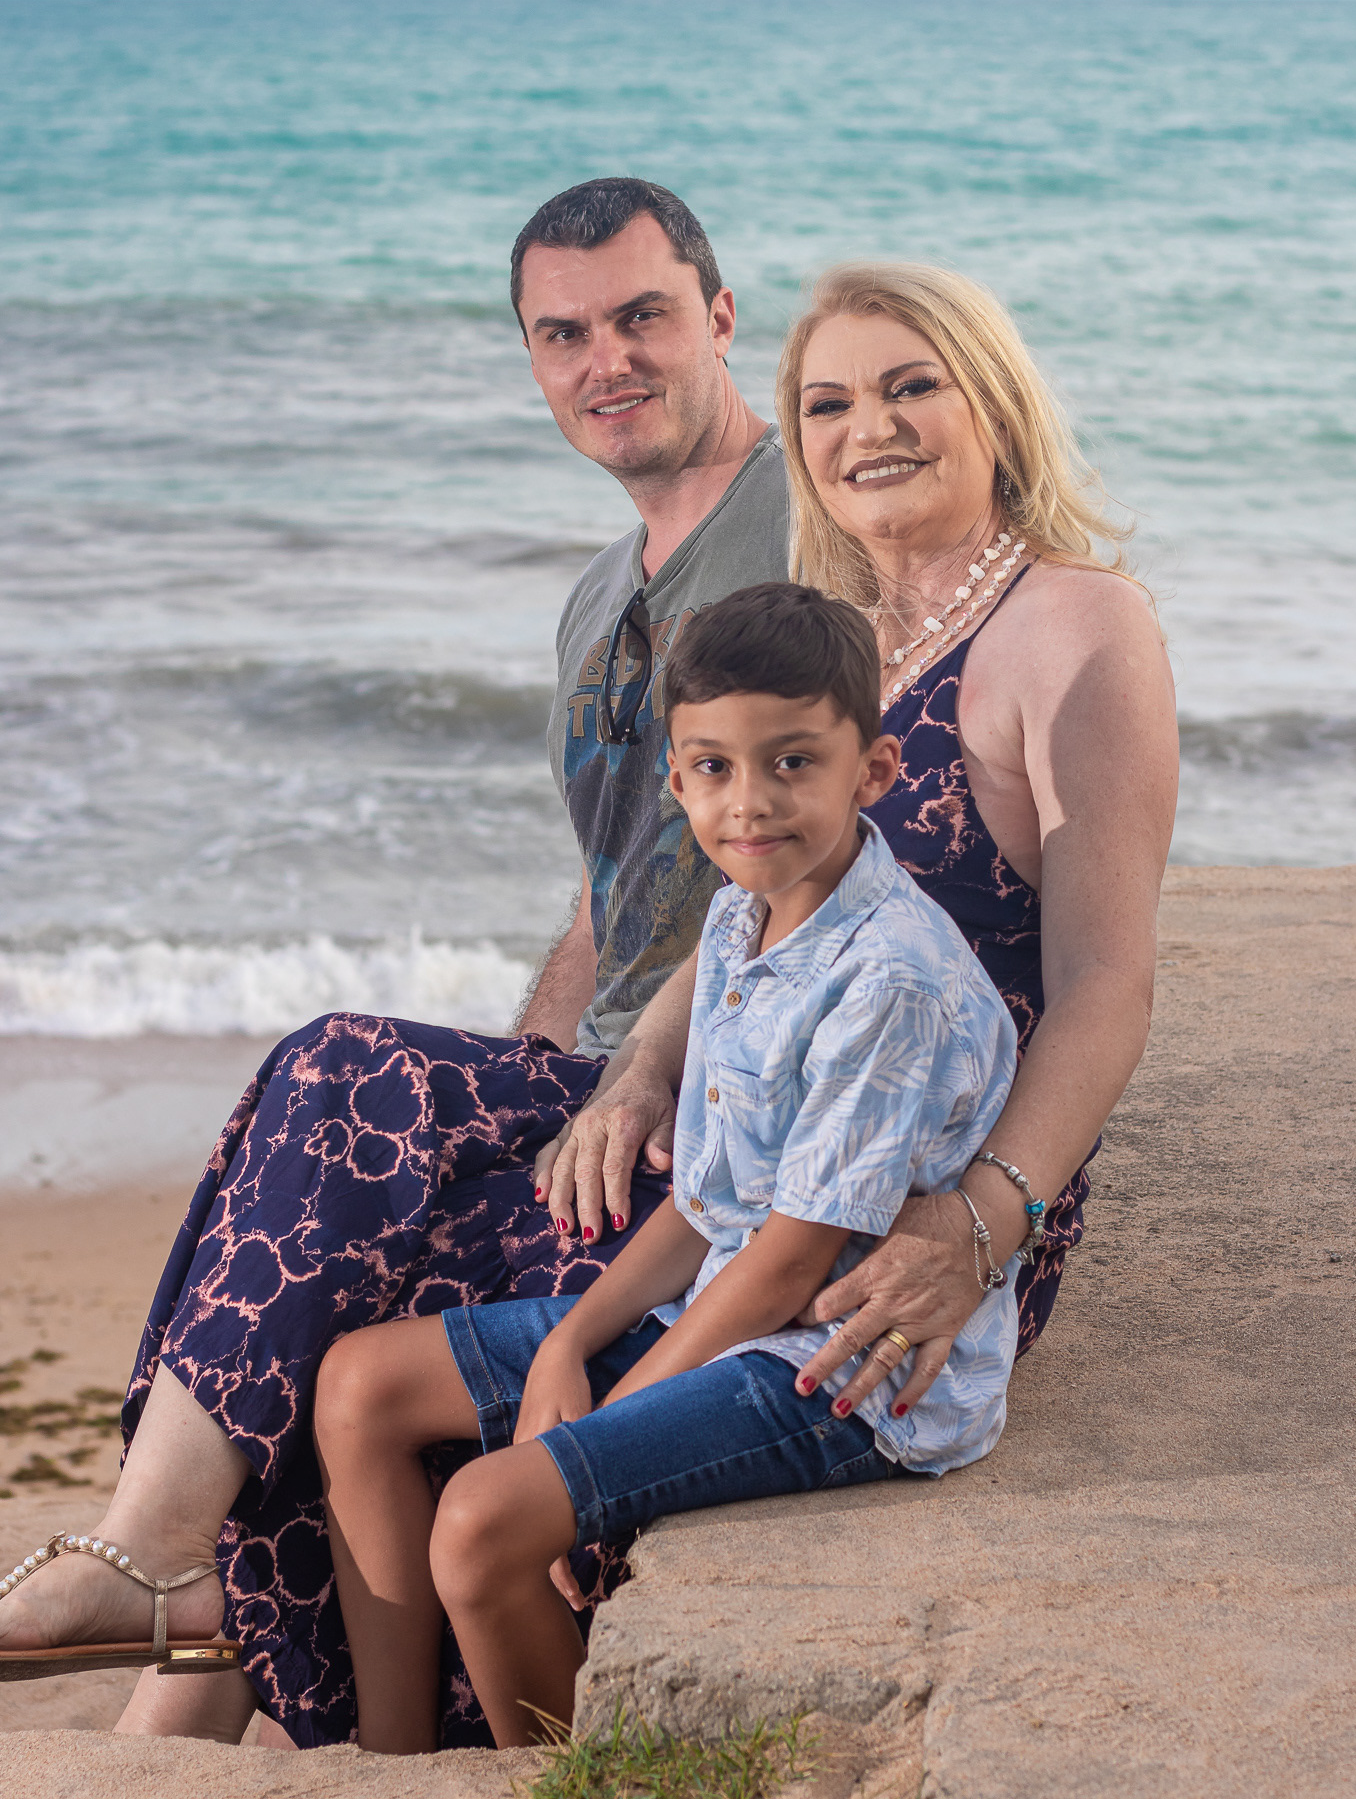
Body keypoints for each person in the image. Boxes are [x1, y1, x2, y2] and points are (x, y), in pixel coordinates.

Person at [0, 178, 790, 1748]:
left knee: (338, 1066)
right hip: (600, 1090)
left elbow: (803, 857)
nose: (606, 361)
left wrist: (641, 1072)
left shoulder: (799, 521)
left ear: (717, 315)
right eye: (562, 335)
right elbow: (609, 893)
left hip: (728, 1088)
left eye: (642, 316)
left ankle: (156, 1566)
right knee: (333, 1245)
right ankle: (174, 1726)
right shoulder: (597, 598)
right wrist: (526, 1088)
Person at [310, 583, 1021, 1752]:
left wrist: (600, 1428)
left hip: (846, 1367)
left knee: (485, 1518)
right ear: (678, 781)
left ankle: (552, 1772)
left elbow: (792, 1261)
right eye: (714, 767)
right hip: (729, 1297)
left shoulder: (887, 976)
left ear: (874, 769)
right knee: (359, 1382)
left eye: (793, 762)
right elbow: (707, 1198)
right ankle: (392, 1761)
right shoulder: (742, 915)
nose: (752, 802)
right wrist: (569, 1343)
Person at [542, 260, 1178, 1435]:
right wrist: (640, 1069)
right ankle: (203, 1527)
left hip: (897, 1200)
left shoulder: (1079, 625)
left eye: (911, 387)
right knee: (336, 1085)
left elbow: (1105, 982)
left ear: (995, 405)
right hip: (749, 1142)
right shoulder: (830, 639)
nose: (869, 428)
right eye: (827, 404)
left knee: (400, 1253)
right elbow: (754, 920)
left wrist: (979, 1224)